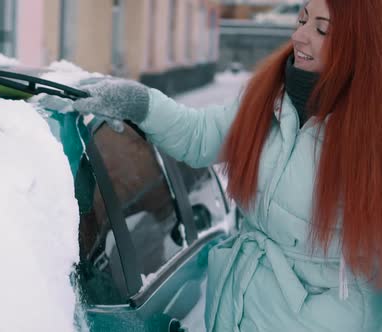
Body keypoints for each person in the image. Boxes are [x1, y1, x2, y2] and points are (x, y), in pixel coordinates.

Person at [70, 0, 382, 330]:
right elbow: (198, 136)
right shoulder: (268, 99)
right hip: (239, 306)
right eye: (302, 20)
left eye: (321, 29)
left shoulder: (371, 133)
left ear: (359, 42)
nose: (300, 36)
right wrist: (139, 102)